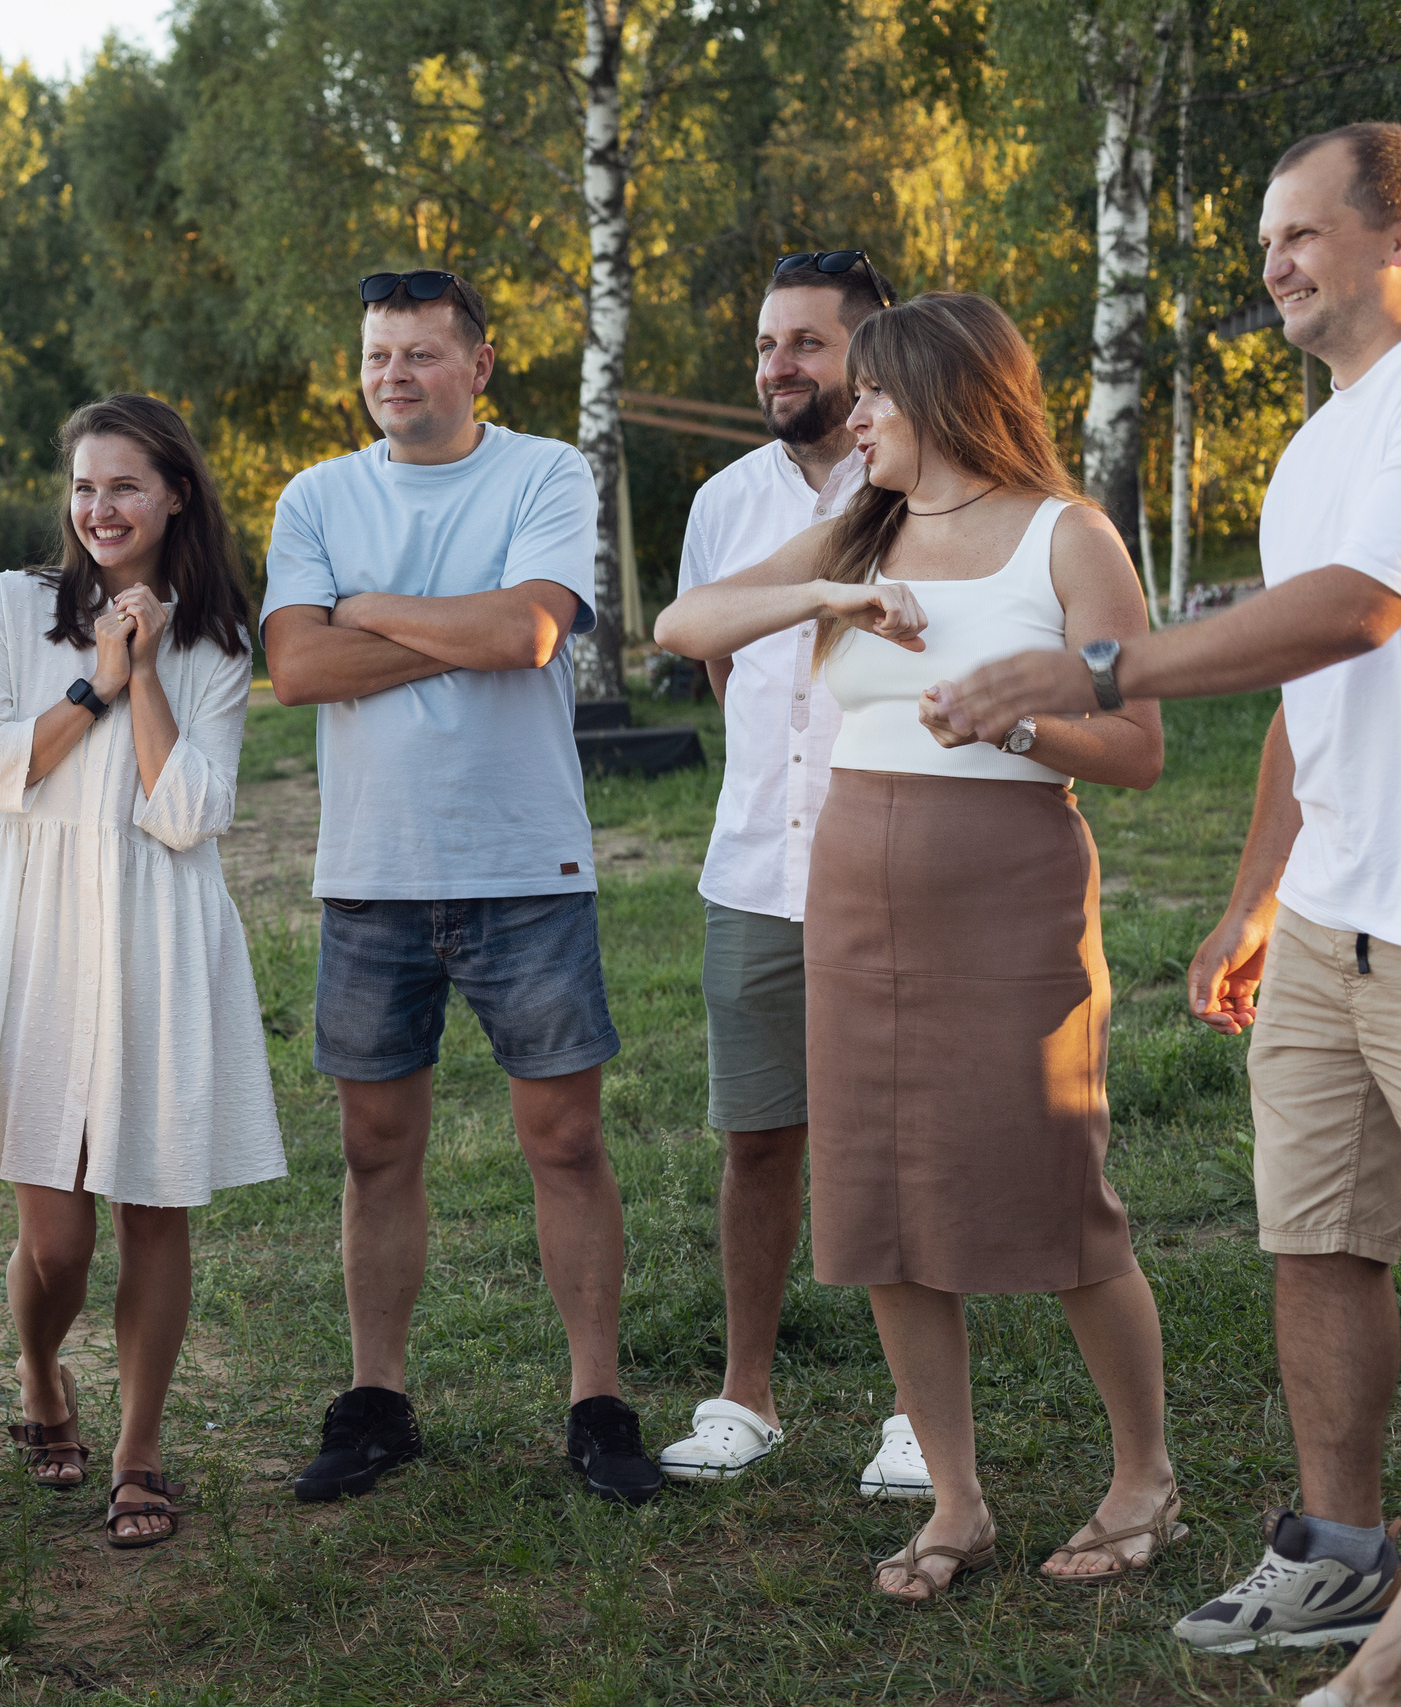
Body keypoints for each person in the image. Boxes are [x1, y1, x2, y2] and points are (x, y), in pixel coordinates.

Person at [942, 123, 1401, 1675]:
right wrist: (1258, 892)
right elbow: (1304, 695)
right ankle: (1337, 1555)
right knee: (1320, 1241)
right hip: (1336, 921)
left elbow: (1353, 611)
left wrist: (1100, 665)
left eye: (1301, 231)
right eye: (1263, 238)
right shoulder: (1317, 439)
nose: (1272, 262)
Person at [655, 290, 1178, 1601]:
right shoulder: (864, 522)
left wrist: (1016, 722)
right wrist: (830, 587)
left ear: (943, 393)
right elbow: (682, 628)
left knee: (1059, 1189)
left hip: (1010, 894)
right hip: (853, 893)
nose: (858, 412)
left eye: (877, 393)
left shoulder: (1069, 536)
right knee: (880, 1205)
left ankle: (1143, 1475)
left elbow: (1141, 747)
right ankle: (958, 1494)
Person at [262, 267, 660, 1505]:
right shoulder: (316, 494)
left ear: (478, 365)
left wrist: (369, 614)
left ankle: (596, 1404)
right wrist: (444, 623)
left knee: (565, 1138)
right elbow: (295, 668)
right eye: (378, 355)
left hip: (523, 863)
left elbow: (530, 636)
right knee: (375, 1148)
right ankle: (376, 1403)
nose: (395, 376)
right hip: (372, 874)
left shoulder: (542, 473)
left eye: (422, 355)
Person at [0, 394, 287, 1548]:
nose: (100, 508)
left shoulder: (217, 641)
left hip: (156, 940)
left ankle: (139, 1452)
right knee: (56, 1239)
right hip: (36, 938)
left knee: (153, 1213)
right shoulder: (4, 608)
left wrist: (145, 671)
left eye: (125, 486)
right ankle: (42, 1376)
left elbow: (187, 813)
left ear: (175, 495)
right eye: (85, 487)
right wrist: (95, 674)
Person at [652, 251, 931, 1498]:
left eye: (806, 345)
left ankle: (917, 1413)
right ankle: (744, 1397)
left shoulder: (937, 490)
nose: (778, 367)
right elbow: (719, 665)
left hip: (896, 867)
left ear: (869, 357)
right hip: (756, 865)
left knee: (898, 1136)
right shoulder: (723, 503)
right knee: (758, 1138)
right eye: (767, 344)